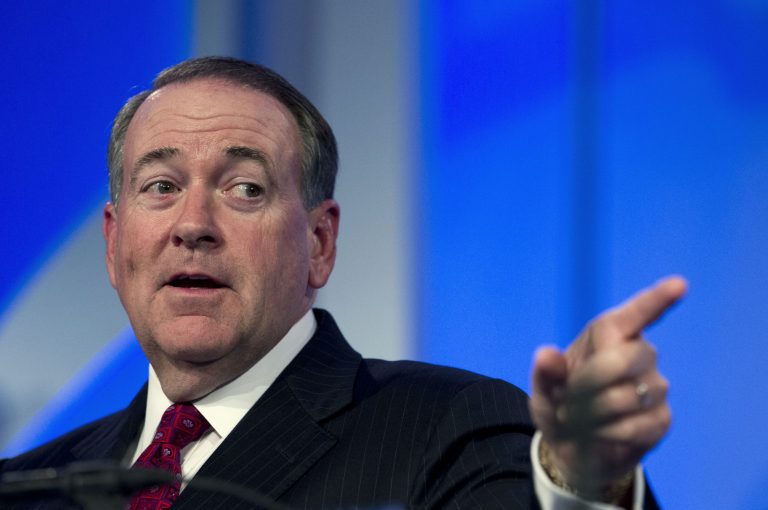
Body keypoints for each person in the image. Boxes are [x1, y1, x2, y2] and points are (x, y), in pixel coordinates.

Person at [0, 57, 685, 510]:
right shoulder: (30, 486)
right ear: (115, 242)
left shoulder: (451, 427)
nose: (193, 225)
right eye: (161, 186)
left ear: (320, 244)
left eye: (244, 188)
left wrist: (579, 479)